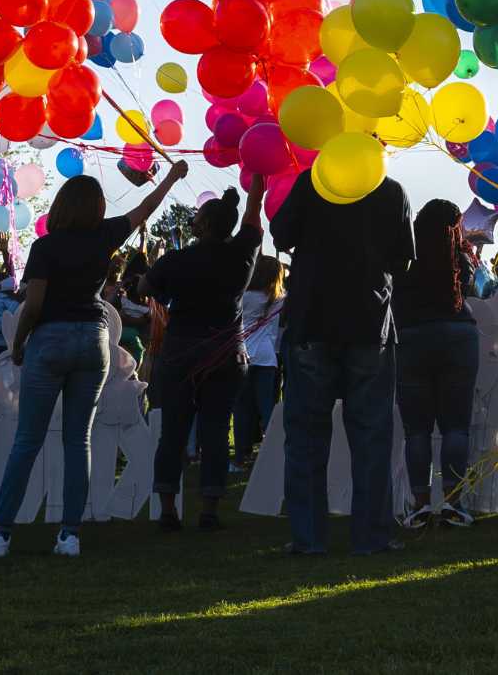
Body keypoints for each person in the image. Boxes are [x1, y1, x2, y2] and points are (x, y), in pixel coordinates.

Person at [0, 162, 186, 558]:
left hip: (51, 337)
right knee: (79, 440)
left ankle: (1, 533)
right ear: (95, 206)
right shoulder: (104, 237)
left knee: (28, 439)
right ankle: (70, 534)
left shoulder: (45, 247)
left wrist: (20, 342)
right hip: (94, 340)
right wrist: (172, 177)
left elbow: (35, 303)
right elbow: (145, 208)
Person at [271, 162, 415, 557]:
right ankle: (372, 537)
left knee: (305, 438)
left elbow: (281, 234)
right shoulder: (391, 189)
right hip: (370, 327)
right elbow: (403, 260)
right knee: (371, 438)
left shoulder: (311, 183)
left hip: (312, 324)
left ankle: (309, 538)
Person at [147, 180, 262, 533]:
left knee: (174, 432)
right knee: (215, 432)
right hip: (225, 353)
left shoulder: (177, 260)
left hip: (181, 349)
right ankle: (209, 509)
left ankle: (168, 509)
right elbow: (254, 214)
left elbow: (143, 288)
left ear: (201, 225)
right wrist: (257, 187)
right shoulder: (241, 255)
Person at [395, 199, 483, 528]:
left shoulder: (404, 253)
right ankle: (453, 501)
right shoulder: (459, 257)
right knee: (456, 427)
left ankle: (419, 504)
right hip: (459, 335)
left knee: (416, 430)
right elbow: (472, 287)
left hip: (412, 337)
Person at [234, 254, 285, 466]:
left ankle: (240, 456)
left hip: (243, 355)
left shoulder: (242, 296)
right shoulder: (279, 299)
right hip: (267, 357)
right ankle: (275, 454)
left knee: (242, 410)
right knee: (268, 410)